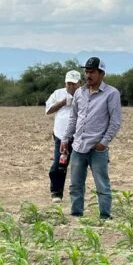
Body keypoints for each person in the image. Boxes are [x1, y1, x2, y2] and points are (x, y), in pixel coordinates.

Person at [62, 57, 122, 220]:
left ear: (101, 73)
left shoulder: (111, 93)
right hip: (78, 146)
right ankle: (76, 214)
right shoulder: (79, 93)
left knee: (102, 184)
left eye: (92, 72)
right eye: (87, 72)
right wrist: (65, 139)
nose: (88, 75)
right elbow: (73, 118)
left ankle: (104, 215)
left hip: (97, 148)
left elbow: (115, 122)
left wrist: (103, 143)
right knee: (75, 184)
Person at [45, 70, 81, 203]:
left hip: (79, 136)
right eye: (68, 84)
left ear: (79, 84)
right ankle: (56, 193)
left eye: (74, 84)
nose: (71, 87)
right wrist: (62, 102)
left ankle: (76, 195)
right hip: (60, 136)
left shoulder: (84, 94)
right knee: (59, 165)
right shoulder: (58, 93)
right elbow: (48, 110)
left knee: (78, 166)